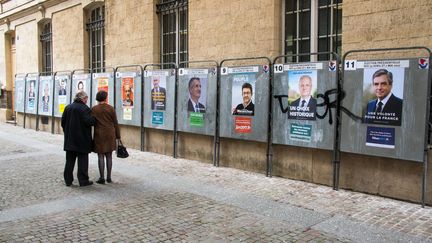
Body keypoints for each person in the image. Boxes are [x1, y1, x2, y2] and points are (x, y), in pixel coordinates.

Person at [61, 91, 96, 187]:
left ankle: (68, 180)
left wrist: (67, 133)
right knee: (83, 162)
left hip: (70, 140)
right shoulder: (85, 109)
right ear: (83, 99)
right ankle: (83, 180)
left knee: (69, 161)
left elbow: (63, 122)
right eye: (86, 99)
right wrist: (94, 119)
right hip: (82, 140)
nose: (86, 101)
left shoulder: (68, 107)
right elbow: (89, 122)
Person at [91, 90, 120, 184]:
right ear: (105, 98)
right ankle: (109, 177)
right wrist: (118, 136)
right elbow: (115, 123)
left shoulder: (94, 109)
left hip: (99, 134)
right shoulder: (111, 108)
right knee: (109, 156)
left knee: (100, 156)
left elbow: (92, 121)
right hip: (110, 134)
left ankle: (101, 177)